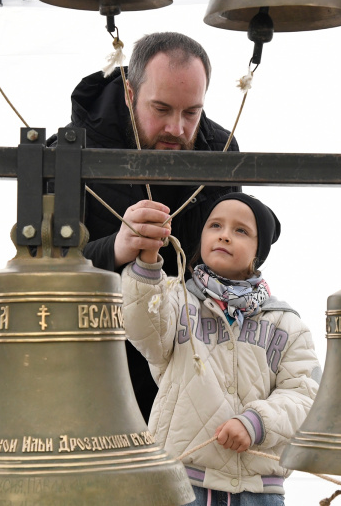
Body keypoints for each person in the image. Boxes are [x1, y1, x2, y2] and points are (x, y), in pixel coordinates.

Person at [48, 32, 241, 422]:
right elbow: (42, 268)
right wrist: (117, 248)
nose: (177, 128)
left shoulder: (220, 150)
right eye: (162, 109)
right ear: (130, 93)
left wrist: (257, 230)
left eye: (191, 113)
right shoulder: (69, 154)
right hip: (94, 377)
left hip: (187, 379)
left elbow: (236, 256)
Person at [121, 192, 320, 505]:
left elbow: (305, 396)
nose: (225, 235)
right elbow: (143, 330)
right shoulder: (176, 299)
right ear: (201, 238)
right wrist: (147, 263)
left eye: (241, 230)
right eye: (215, 226)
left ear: (258, 251)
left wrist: (255, 422)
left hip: (258, 491)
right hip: (182, 481)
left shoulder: (285, 323)